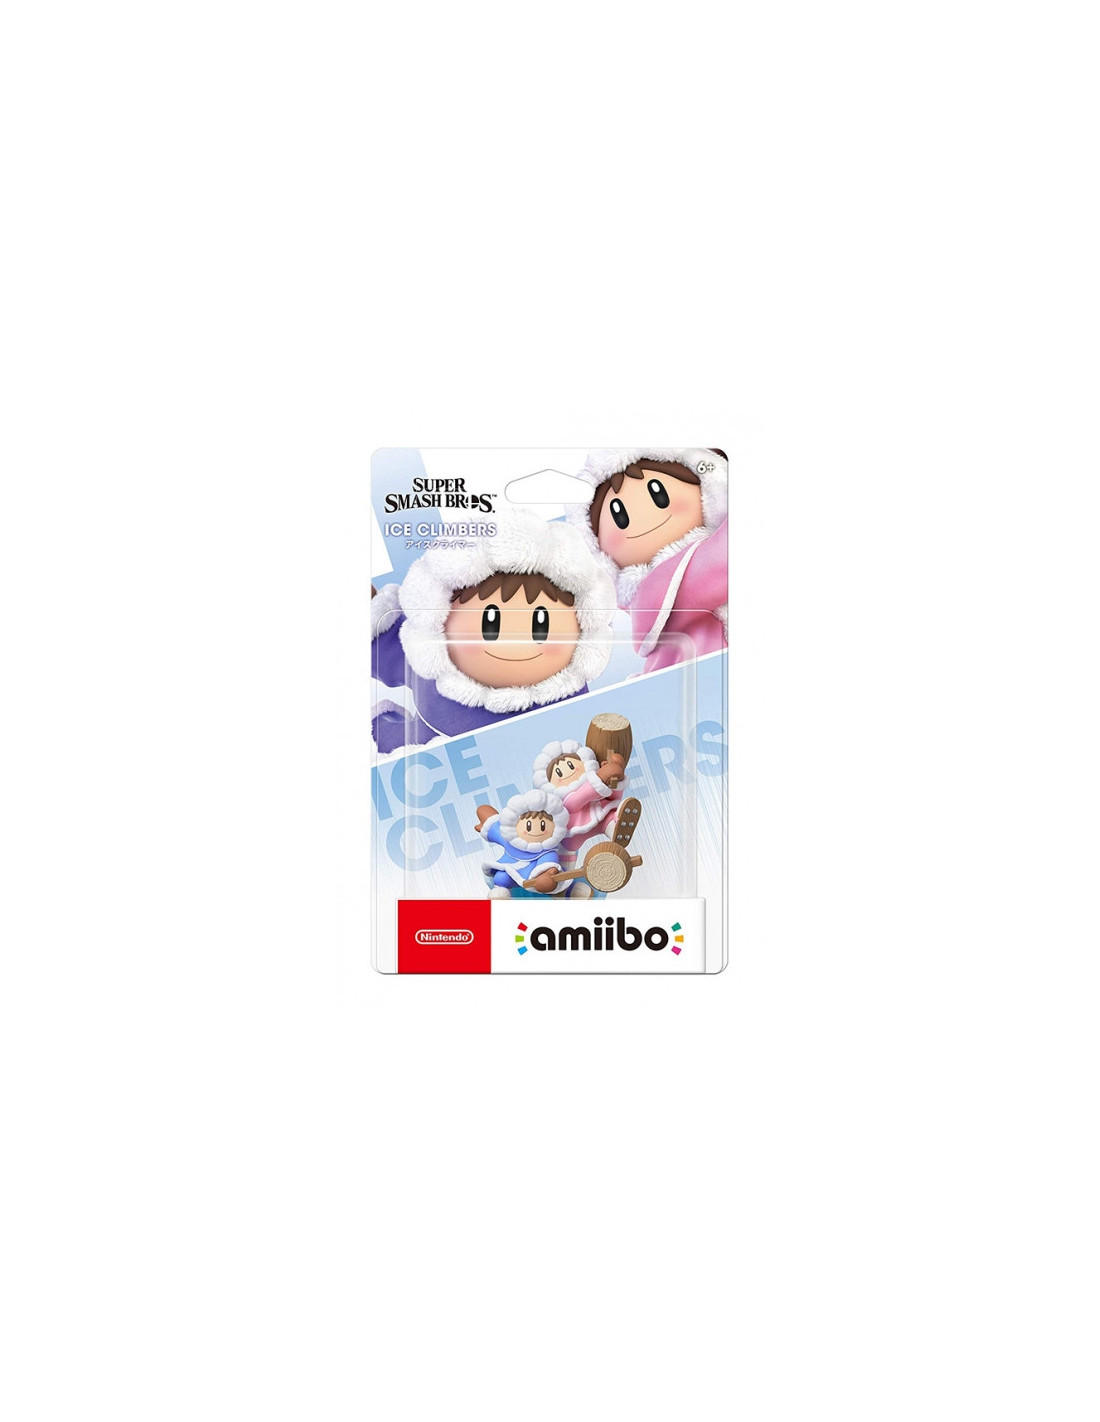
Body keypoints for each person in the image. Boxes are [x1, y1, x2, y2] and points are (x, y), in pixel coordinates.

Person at [371, 511, 615, 751]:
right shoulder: (431, 674)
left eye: (539, 628)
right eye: (491, 625)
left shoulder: (571, 701)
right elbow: (385, 648)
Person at [566, 448, 727, 672]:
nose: (643, 518)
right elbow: (719, 562)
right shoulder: (657, 592)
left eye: (659, 495)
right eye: (620, 517)